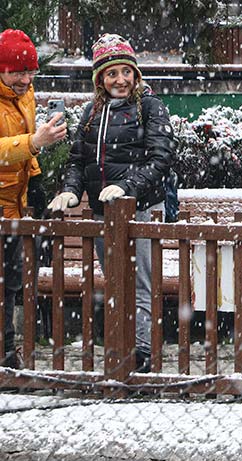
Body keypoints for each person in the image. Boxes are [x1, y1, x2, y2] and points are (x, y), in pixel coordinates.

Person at [49, 34, 176, 373]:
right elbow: (79, 158)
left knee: (141, 283)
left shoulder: (149, 106)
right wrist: (72, 190)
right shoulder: (93, 112)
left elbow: (160, 157)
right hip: (105, 212)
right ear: (100, 80)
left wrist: (127, 187)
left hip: (141, 209)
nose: (120, 80)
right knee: (116, 282)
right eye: (111, 74)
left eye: (125, 72)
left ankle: (143, 354)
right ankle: (123, 347)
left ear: (135, 75)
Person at [0, 29, 67, 368]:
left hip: (13, 203)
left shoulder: (24, 93)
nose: (26, 79)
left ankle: (7, 354)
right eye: (17, 72)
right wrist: (34, 143)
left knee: (11, 281)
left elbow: (27, 143)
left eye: (30, 72)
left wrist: (36, 176)